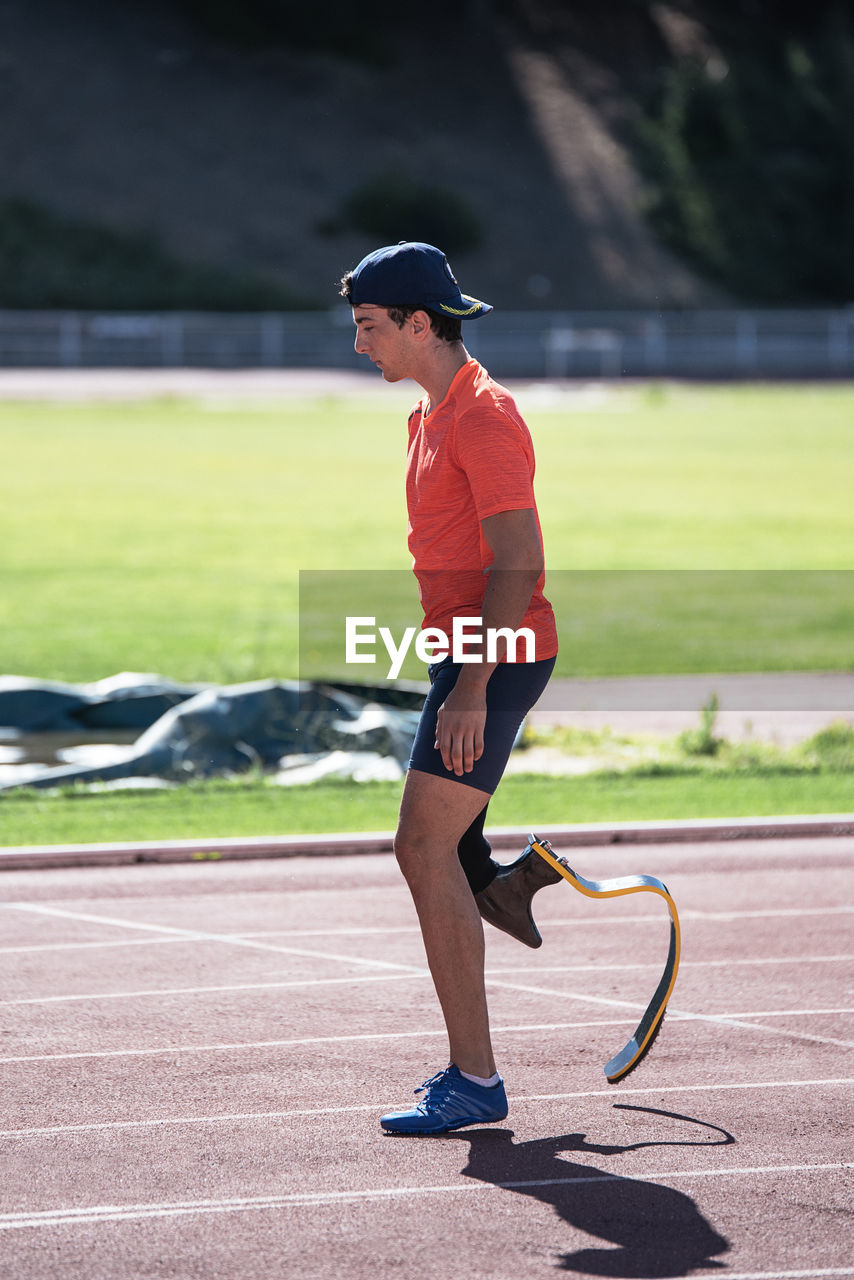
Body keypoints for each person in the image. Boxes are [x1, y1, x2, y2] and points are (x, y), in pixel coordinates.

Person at [338, 241, 563, 1135]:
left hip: (495, 658)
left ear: (419, 323)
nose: (360, 347)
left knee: (420, 847)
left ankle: (476, 1080)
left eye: (368, 328)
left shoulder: (484, 417)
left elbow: (520, 560)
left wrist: (472, 684)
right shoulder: (428, 414)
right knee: (441, 841)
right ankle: (503, 886)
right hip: (463, 654)